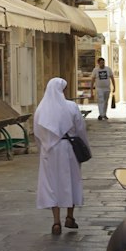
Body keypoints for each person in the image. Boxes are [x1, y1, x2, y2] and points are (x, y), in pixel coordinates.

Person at [33, 76, 89, 235]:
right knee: (70, 180)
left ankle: (56, 221)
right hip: (68, 149)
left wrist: (42, 148)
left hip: (49, 151)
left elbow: (37, 134)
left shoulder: (41, 109)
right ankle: (70, 217)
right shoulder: (71, 107)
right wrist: (85, 148)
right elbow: (80, 129)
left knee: (52, 184)